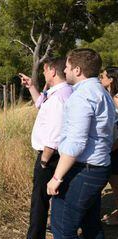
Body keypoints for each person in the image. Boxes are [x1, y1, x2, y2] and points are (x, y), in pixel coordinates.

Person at [47, 48, 116, 239]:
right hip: (98, 167)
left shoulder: (82, 96)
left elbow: (76, 142)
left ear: (77, 70)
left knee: (62, 227)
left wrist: (57, 177)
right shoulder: (101, 93)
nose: (65, 71)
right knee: (90, 224)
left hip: (84, 169)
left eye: (68, 67)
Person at [19, 57, 73, 239]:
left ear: (52, 71)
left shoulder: (58, 97)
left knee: (39, 203)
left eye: (44, 70)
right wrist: (32, 87)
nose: (43, 73)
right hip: (58, 155)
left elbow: (54, 134)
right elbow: (42, 105)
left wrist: (44, 160)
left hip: (50, 157)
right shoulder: (62, 92)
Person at [99, 67, 118, 225]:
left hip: (115, 148)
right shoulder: (108, 96)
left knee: (116, 185)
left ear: (111, 79)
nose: (100, 78)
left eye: (103, 76)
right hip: (109, 146)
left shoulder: (117, 98)